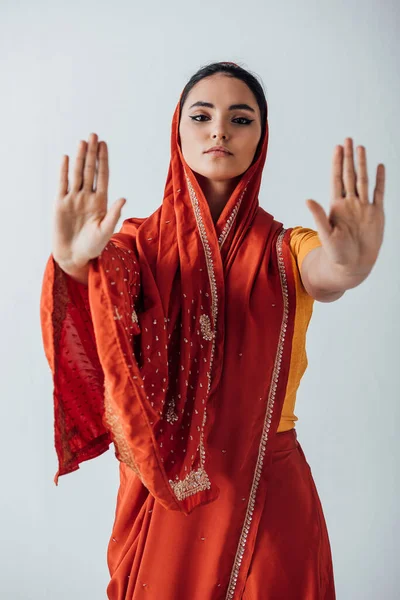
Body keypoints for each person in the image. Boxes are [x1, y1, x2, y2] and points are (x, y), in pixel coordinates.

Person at [40, 61, 385, 599]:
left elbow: (327, 274)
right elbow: (105, 289)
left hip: (266, 493)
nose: (219, 130)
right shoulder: (134, 246)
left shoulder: (287, 248)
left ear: (261, 139)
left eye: (240, 118)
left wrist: (351, 266)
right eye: (202, 115)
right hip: (167, 495)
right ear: (178, 129)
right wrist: (73, 260)